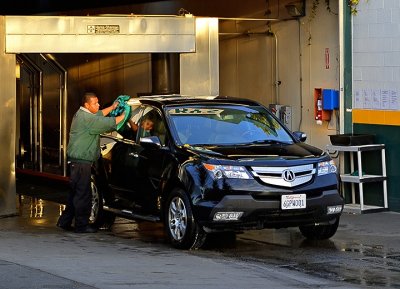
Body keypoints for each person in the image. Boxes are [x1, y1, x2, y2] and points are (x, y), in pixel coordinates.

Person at [57, 92, 125, 233]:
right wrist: (125, 116)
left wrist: (112, 107)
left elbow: (99, 114)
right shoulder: (86, 119)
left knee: (75, 193)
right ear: (87, 105)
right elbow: (106, 123)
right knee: (83, 194)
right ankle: (81, 226)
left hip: (77, 162)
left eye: (98, 102)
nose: (98, 105)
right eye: (95, 103)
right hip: (82, 163)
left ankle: (64, 221)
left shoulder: (83, 114)